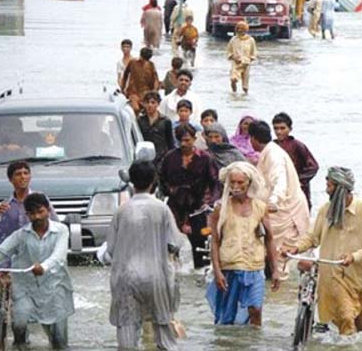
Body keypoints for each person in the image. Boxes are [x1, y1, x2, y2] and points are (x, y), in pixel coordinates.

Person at [281, 167, 362, 335]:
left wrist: (355, 256)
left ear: (342, 188)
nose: (327, 190)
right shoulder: (325, 210)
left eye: (330, 186)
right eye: (327, 185)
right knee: (345, 317)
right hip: (335, 276)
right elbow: (313, 238)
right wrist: (296, 247)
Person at [0, 193, 75, 349]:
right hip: (26, 287)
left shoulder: (61, 230)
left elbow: (59, 256)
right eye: (32, 213)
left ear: (48, 210)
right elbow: (1, 251)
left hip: (55, 287)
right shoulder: (21, 235)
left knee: (59, 340)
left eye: (40, 211)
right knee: (19, 324)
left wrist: (44, 267)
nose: (37, 216)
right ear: (27, 215)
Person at [106, 161, 181, 350]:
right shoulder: (162, 209)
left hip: (125, 278)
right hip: (157, 277)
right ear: (154, 180)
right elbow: (174, 244)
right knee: (164, 335)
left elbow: (111, 249)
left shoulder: (121, 211)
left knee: (127, 337)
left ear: (131, 181)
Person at [206, 162, 280, 325]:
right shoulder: (221, 208)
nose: (236, 186)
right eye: (232, 182)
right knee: (227, 317)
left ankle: (255, 341)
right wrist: (217, 272)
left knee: (255, 309)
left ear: (249, 183)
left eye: (240, 182)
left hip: (254, 266)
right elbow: (215, 242)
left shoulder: (260, 207)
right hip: (229, 267)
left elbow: (269, 239)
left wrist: (275, 270)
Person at [248, 120, 309, 278]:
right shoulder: (269, 152)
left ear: (253, 138)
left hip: (285, 211)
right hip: (275, 211)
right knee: (269, 252)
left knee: (280, 254)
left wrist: (274, 201)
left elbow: (279, 180)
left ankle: (279, 293)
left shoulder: (274, 155)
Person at [159, 123, 221, 269]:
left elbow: (216, 183)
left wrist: (211, 203)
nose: (183, 144)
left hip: (198, 207)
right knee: (170, 244)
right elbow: (161, 179)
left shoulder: (206, 159)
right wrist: (170, 190)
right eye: (180, 140)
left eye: (187, 140)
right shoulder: (170, 158)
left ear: (194, 139)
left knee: (200, 244)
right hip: (175, 206)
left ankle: (201, 273)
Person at [0, 162, 58, 248]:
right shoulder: (5, 206)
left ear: (30, 177)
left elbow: (56, 227)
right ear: (11, 179)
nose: (23, 177)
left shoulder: (40, 199)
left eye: (26, 173)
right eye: (18, 174)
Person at [272, 112, 319, 211]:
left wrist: (298, 180)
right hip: (278, 190)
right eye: (276, 128)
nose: (279, 132)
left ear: (290, 129)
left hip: (298, 190)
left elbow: (313, 166)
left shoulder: (297, 145)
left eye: (282, 128)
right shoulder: (272, 146)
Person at [138, 92, 175, 162]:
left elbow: (170, 142)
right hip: (144, 157)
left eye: (153, 102)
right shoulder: (140, 120)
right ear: (143, 104)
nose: (150, 105)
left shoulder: (165, 121)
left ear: (158, 104)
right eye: (147, 102)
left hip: (161, 158)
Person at [121, 47, 160, 114]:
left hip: (146, 93)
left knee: (148, 111)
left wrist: (155, 91)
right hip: (133, 92)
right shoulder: (132, 62)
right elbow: (125, 75)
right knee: (136, 109)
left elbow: (156, 79)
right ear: (140, 56)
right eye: (144, 60)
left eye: (146, 60)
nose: (145, 62)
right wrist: (123, 88)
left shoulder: (151, 65)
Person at [226, 21, 257, 94]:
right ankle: (234, 93)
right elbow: (228, 52)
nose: (240, 30)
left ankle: (245, 97)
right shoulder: (233, 40)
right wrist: (234, 58)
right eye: (238, 29)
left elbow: (253, 53)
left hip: (246, 64)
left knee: (245, 86)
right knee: (233, 79)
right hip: (236, 63)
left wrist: (249, 60)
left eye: (242, 29)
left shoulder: (250, 40)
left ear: (246, 30)